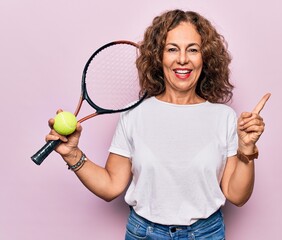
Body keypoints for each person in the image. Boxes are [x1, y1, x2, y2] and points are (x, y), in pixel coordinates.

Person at [46, 9, 270, 240]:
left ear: (205, 57)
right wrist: (72, 154)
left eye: (192, 49)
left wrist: (246, 150)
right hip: (144, 233)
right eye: (172, 49)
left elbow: (237, 196)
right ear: (158, 57)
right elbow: (111, 186)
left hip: (206, 234)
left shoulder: (224, 118)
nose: (182, 59)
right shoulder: (133, 114)